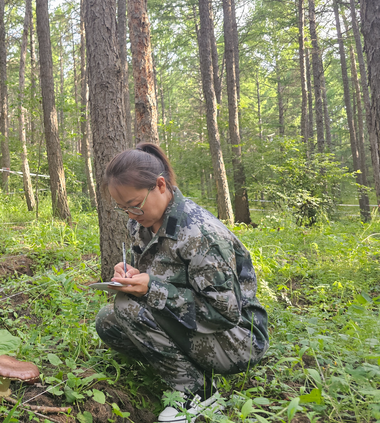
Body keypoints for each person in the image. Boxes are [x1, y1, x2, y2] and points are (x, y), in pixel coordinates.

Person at [95, 143, 269, 423]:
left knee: (127, 308)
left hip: (237, 339)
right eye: (122, 208)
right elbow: (160, 270)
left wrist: (151, 288)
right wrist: (131, 273)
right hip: (198, 322)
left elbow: (224, 313)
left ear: (160, 185)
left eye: (134, 205)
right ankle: (185, 368)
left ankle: (196, 393)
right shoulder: (142, 223)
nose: (130, 215)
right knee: (108, 321)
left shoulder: (200, 234)